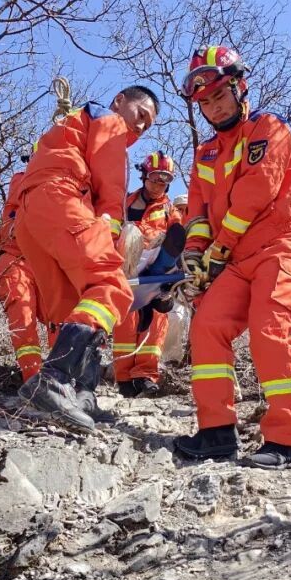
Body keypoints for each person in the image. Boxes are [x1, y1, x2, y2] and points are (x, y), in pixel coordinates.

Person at [173, 45, 291, 470]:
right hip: (232, 258)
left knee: (269, 330)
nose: (213, 107)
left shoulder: (269, 129)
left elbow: (256, 193)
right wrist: (194, 254)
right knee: (207, 326)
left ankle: (283, 441)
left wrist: (217, 251)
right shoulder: (204, 154)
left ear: (238, 86)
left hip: (278, 246)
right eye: (205, 102)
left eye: (219, 96)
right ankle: (216, 433)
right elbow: (198, 213)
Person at [14, 85, 160, 431]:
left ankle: (80, 393)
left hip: (31, 214)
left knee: (72, 305)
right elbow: (111, 190)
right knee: (110, 285)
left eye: (148, 125)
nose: (141, 126)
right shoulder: (109, 122)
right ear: (119, 100)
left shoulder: (73, 126)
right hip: (63, 198)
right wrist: (111, 237)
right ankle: (54, 378)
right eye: (141, 114)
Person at [112, 151, 183, 398]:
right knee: (126, 320)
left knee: (157, 318)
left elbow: (177, 238)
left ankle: (146, 375)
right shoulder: (126, 203)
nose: (158, 185)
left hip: (155, 271)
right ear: (144, 176)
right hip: (127, 268)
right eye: (155, 178)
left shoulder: (170, 210)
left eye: (165, 180)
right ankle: (123, 377)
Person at [0, 151, 46, 384]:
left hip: (49, 264)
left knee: (63, 318)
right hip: (16, 260)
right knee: (22, 317)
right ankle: (32, 379)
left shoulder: (71, 187)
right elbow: (7, 228)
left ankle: (65, 377)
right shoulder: (20, 183)